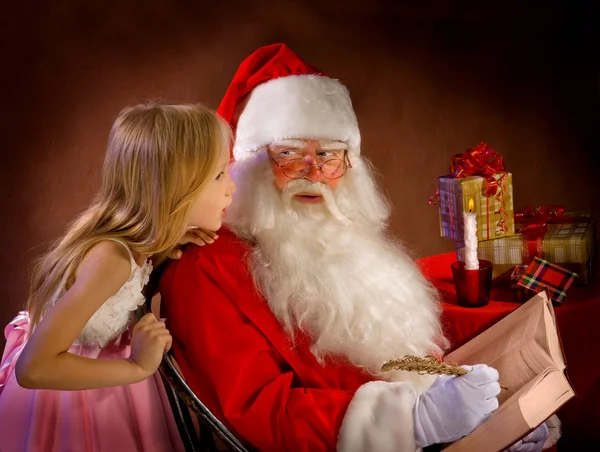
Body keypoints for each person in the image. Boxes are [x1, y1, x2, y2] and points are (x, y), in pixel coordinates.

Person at [159, 44, 555, 451]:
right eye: (290, 154)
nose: (313, 173)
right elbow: (259, 408)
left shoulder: (345, 244)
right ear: (250, 163)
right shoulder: (206, 268)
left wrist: (486, 417)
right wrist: (416, 422)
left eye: (329, 154)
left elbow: (387, 362)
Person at [0, 102, 236, 451]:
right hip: (75, 402)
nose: (231, 187)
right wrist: (137, 367)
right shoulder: (111, 259)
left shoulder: (136, 243)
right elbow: (33, 367)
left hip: (107, 385)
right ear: (176, 187)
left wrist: (166, 242)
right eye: (219, 175)